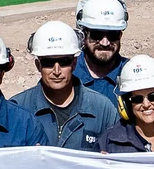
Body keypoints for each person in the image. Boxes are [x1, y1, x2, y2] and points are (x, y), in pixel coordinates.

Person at [12, 21, 112, 150]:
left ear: (74, 63)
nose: (57, 71)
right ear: (38, 65)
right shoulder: (18, 109)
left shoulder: (102, 109)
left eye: (64, 61)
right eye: (48, 63)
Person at [72, 0, 130, 102]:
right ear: (84, 35)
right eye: (96, 34)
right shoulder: (66, 73)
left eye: (112, 35)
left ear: (120, 36)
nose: (105, 43)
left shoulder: (132, 74)